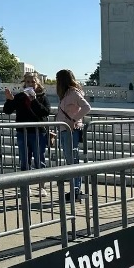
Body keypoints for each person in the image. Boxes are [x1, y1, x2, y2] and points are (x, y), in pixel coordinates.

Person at [3, 71, 51, 195]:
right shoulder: (20, 96)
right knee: (24, 160)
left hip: (38, 133)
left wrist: (34, 100)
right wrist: (9, 100)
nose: (30, 84)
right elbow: (8, 110)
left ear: (37, 83)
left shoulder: (42, 97)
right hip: (22, 132)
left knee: (39, 160)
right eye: (28, 82)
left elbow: (45, 112)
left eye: (33, 82)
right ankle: (26, 186)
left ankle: (41, 187)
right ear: (25, 83)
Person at [54, 69, 91, 202]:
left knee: (73, 161)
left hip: (71, 130)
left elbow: (87, 107)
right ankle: (75, 189)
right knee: (71, 161)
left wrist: (74, 120)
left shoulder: (73, 93)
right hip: (65, 130)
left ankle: (75, 190)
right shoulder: (66, 94)